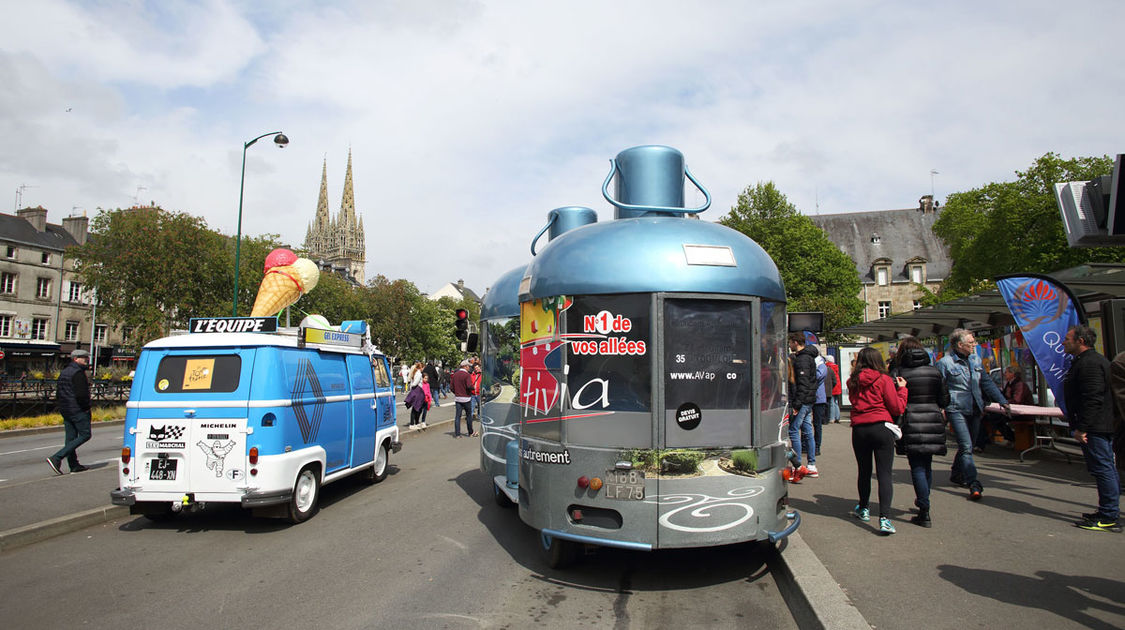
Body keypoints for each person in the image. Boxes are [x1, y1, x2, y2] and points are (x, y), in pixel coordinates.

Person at [935, 328, 1009, 500]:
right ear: (960, 345)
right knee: (967, 446)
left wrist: (1002, 401)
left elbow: (987, 382)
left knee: (967, 445)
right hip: (956, 408)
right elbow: (939, 387)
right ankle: (973, 483)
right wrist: (940, 408)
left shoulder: (975, 360)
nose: (975, 345)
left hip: (976, 408)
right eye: (971, 342)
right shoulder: (945, 363)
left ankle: (956, 473)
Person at [1062, 325, 1121, 532]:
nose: (1063, 342)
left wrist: (1082, 427)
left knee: (1103, 468)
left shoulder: (1090, 364)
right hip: (1095, 424)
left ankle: (1108, 515)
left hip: (1095, 426)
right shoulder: (1086, 362)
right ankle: (1106, 511)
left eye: (1068, 339)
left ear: (1080, 341)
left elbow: (1093, 398)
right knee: (1102, 468)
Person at [846, 346, 908, 535]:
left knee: (863, 471)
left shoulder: (852, 381)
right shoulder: (884, 380)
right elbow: (897, 408)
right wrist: (903, 390)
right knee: (884, 474)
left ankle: (863, 508)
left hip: (859, 429)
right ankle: (885, 518)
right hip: (881, 427)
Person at [892, 337, 949, 528]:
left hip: (911, 420)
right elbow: (944, 400)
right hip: (932, 419)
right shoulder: (934, 372)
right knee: (927, 464)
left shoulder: (899, 372)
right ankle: (924, 500)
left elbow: (893, 400)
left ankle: (924, 508)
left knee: (916, 465)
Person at [46, 349, 92, 475]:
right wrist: (86, 407)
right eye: (84, 358)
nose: (86, 360)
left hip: (66, 409)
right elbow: (81, 395)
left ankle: (74, 464)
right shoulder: (78, 373)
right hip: (77, 409)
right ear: (76, 359)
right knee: (85, 434)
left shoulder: (65, 372)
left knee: (71, 438)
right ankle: (57, 457)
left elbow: (59, 392)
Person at [787, 333, 818, 476]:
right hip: (809, 400)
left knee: (794, 431)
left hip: (802, 401)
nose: (789, 345)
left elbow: (803, 384)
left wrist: (797, 404)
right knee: (807, 431)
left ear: (795, 342)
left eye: (790, 342)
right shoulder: (808, 357)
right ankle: (811, 464)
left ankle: (797, 466)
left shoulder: (802, 359)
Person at [451, 359, 477, 437]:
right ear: (465, 366)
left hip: (458, 398)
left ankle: (457, 434)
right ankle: (470, 432)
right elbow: (469, 386)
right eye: (468, 366)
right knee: (468, 416)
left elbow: (451, 387)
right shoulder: (467, 375)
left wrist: (456, 393)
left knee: (457, 416)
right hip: (466, 398)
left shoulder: (455, 374)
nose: (469, 368)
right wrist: (473, 388)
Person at [813, 353, 828, 458]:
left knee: (817, 424)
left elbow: (818, 376)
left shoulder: (821, 364)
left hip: (818, 398)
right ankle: (807, 445)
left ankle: (817, 446)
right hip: (810, 397)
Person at [826, 355, 842, 423]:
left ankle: (832, 418)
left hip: (832, 386)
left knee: (831, 403)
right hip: (838, 386)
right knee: (835, 402)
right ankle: (837, 417)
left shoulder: (828, 366)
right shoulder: (835, 366)